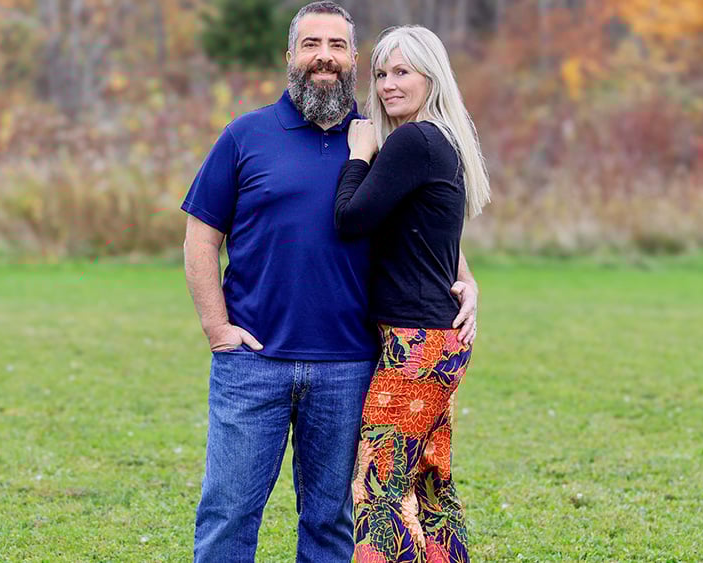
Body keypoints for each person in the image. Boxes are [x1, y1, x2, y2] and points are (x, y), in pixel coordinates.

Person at [180, 3, 479, 562]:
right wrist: (216, 327)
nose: (324, 57)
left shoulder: (377, 138)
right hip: (254, 363)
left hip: (350, 365)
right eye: (311, 44)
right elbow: (201, 236)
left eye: (337, 45)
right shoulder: (245, 136)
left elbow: (426, 224)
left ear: (353, 58)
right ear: (290, 56)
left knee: (330, 521)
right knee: (229, 512)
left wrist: (466, 280)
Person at [334, 25, 491, 563]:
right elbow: (434, 238)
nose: (387, 85)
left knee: (378, 487)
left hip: (416, 346)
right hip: (437, 341)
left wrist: (358, 155)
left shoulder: (412, 140)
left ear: (432, 76)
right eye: (380, 74)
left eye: (402, 72)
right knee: (428, 486)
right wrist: (469, 281)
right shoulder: (441, 140)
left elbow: (351, 219)